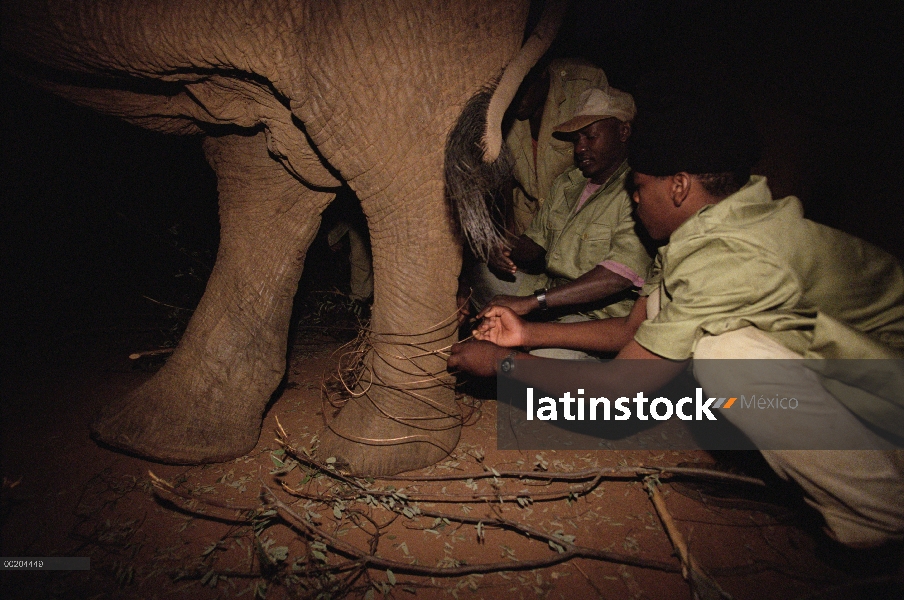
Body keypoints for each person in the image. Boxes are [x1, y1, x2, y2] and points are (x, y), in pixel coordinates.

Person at [448, 91, 904, 550]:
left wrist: (500, 365)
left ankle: (881, 512)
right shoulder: (703, 232)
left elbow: (622, 389)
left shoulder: (729, 256)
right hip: (859, 377)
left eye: (639, 188)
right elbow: (633, 331)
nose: (635, 200)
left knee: (726, 356)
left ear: (680, 187)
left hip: (888, 387)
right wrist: (527, 332)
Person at [468, 84, 653, 356]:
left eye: (590, 137)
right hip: (551, 296)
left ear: (623, 132)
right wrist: (502, 247)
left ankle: (573, 363)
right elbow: (534, 246)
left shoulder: (638, 189)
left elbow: (617, 277)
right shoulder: (570, 182)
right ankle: (514, 342)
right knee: (482, 272)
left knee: (543, 356)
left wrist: (533, 303)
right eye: (577, 139)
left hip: (601, 317)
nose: (580, 148)